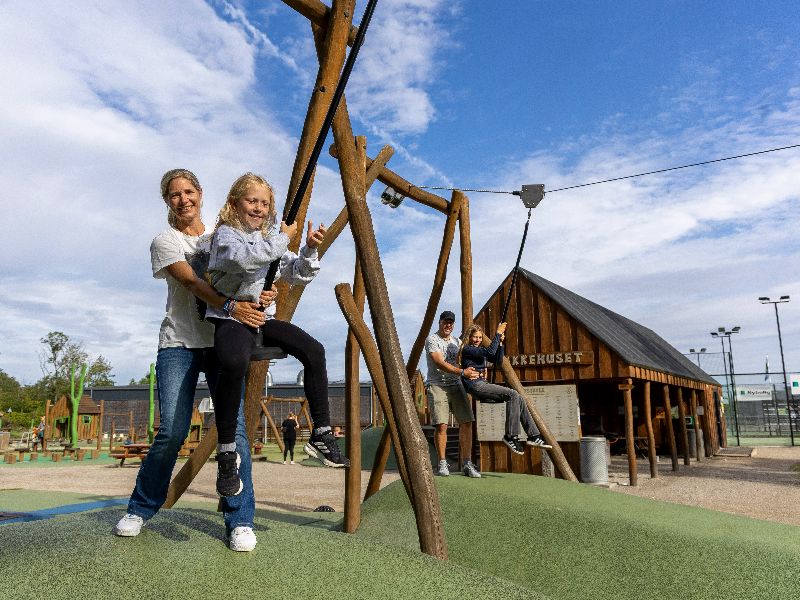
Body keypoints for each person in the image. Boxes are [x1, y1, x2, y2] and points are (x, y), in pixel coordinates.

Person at [115, 168, 273, 552]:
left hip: (222, 342)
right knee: (172, 430)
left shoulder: (224, 233)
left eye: (189, 192)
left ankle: (240, 520)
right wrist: (234, 306)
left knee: (234, 430)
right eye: (175, 194)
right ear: (167, 201)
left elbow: (256, 267)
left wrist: (263, 293)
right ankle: (140, 508)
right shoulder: (165, 241)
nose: (183, 199)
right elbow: (191, 282)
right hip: (179, 343)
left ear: (200, 194)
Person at [205, 172, 348, 497]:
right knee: (234, 361)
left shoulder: (270, 239)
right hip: (231, 319)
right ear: (235, 204)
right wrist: (283, 238)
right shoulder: (226, 235)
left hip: (261, 320)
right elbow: (244, 260)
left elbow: (298, 274)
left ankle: (321, 432)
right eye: (251, 201)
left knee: (314, 350)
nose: (258, 208)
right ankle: (226, 451)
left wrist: (309, 248)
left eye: (264, 203)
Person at [460, 322, 552, 454]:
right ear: (469, 337)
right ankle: (510, 436)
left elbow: (497, 360)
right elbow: (490, 351)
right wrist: (497, 334)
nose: (478, 340)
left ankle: (533, 435)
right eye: (475, 337)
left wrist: (500, 343)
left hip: (482, 384)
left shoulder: (479, 351)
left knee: (518, 398)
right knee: (513, 395)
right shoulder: (468, 349)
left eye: (480, 337)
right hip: (475, 385)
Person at [425, 310, 481, 478]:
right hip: (438, 385)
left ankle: (467, 463)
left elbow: (469, 355)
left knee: (467, 422)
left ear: (453, 325)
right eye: (445, 322)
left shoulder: (457, 342)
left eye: (451, 322)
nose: (448, 325)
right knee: (442, 425)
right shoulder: (432, 339)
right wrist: (462, 372)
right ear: (440, 322)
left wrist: (496, 344)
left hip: (456, 384)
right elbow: (439, 362)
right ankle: (442, 462)